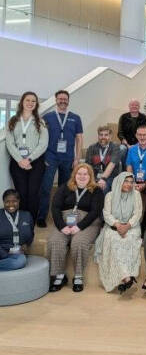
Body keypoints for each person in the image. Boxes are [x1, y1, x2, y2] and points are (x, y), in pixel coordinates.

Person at [48, 163, 104, 292]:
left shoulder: (96, 190)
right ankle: (60, 275)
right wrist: (62, 227)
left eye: (85, 174)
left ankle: (78, 276)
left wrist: (79, 227)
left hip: (88, 223)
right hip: (64, 222)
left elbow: (95, 211)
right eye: (79, 173)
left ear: (90, 176)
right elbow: (55, 208)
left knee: (79, 242)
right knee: (55, 241)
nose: (82, 176)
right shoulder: (65, 188)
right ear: (74, 175)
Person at [37, 90, 83, 228]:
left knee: (65, 189)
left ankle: (62, 217)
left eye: (65, 99)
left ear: (68, 101)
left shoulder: (75, 118)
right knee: (46, 187)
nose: (63, 101)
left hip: (68, 158)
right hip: (50, 157)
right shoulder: (47, 117)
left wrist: (77, 158)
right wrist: (42, 157)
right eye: (60, 98)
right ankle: (41, 217)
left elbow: (79, 138)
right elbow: (40, 137)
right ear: (55, 100)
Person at [94, 172, 143, 294]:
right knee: (113, 239)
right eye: (126, 181)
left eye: (131, 182)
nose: (129, 184)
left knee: (129, 239)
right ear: (119, 181)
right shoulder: (110, 196)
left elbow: (138, 213)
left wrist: (127, 226)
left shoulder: (136, 194)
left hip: (132, 227)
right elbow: (107, 214)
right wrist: (117, 225)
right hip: (113, 226)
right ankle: (127, 277)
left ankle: (126, 277)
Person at [5, 91, 48, 221]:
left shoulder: (41, 122)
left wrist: (29, 159)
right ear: (22, 102)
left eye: (33, 101)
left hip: (36, 162)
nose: (30, 103)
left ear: (36, 104)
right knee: (21, 193)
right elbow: (9, 142)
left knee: (33, 194)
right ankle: (22, 221)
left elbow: (43, 144)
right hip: (17, 163)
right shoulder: (12, 121)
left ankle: (31, 222)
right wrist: (20, 160)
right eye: (27, 100)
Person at [0, 189, 34, 271]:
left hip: (16, 252)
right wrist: (4, 254)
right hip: (1, 249)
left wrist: (26, 244)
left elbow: (31, 233)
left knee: (20, 261)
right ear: (3, 202)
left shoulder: (26, 215)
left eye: (14, 201)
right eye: (7, 201)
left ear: (18, 201)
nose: (11, 204)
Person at [85, 125, 121, 194]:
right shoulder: (92, 147)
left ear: (110, 136)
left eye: (106, 135)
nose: (103, 137)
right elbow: (88, 166)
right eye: (101, 135)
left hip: (109, 177)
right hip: (94, 176)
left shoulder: (115, 147)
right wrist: (92, 180)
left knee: (102, 189)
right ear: (98, 136)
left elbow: (112, 164)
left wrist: (103, 179)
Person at [117, 99, 146, 167]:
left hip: (141, 143)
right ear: (129, 106)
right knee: (122, 149)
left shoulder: (144, 118)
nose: (134, 106)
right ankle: (124, 168)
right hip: (126, 144)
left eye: (136, 105)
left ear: (139, 107)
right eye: (132, 105)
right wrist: (128, 145)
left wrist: (137, 145)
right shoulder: (123, 117)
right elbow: (120, 133)